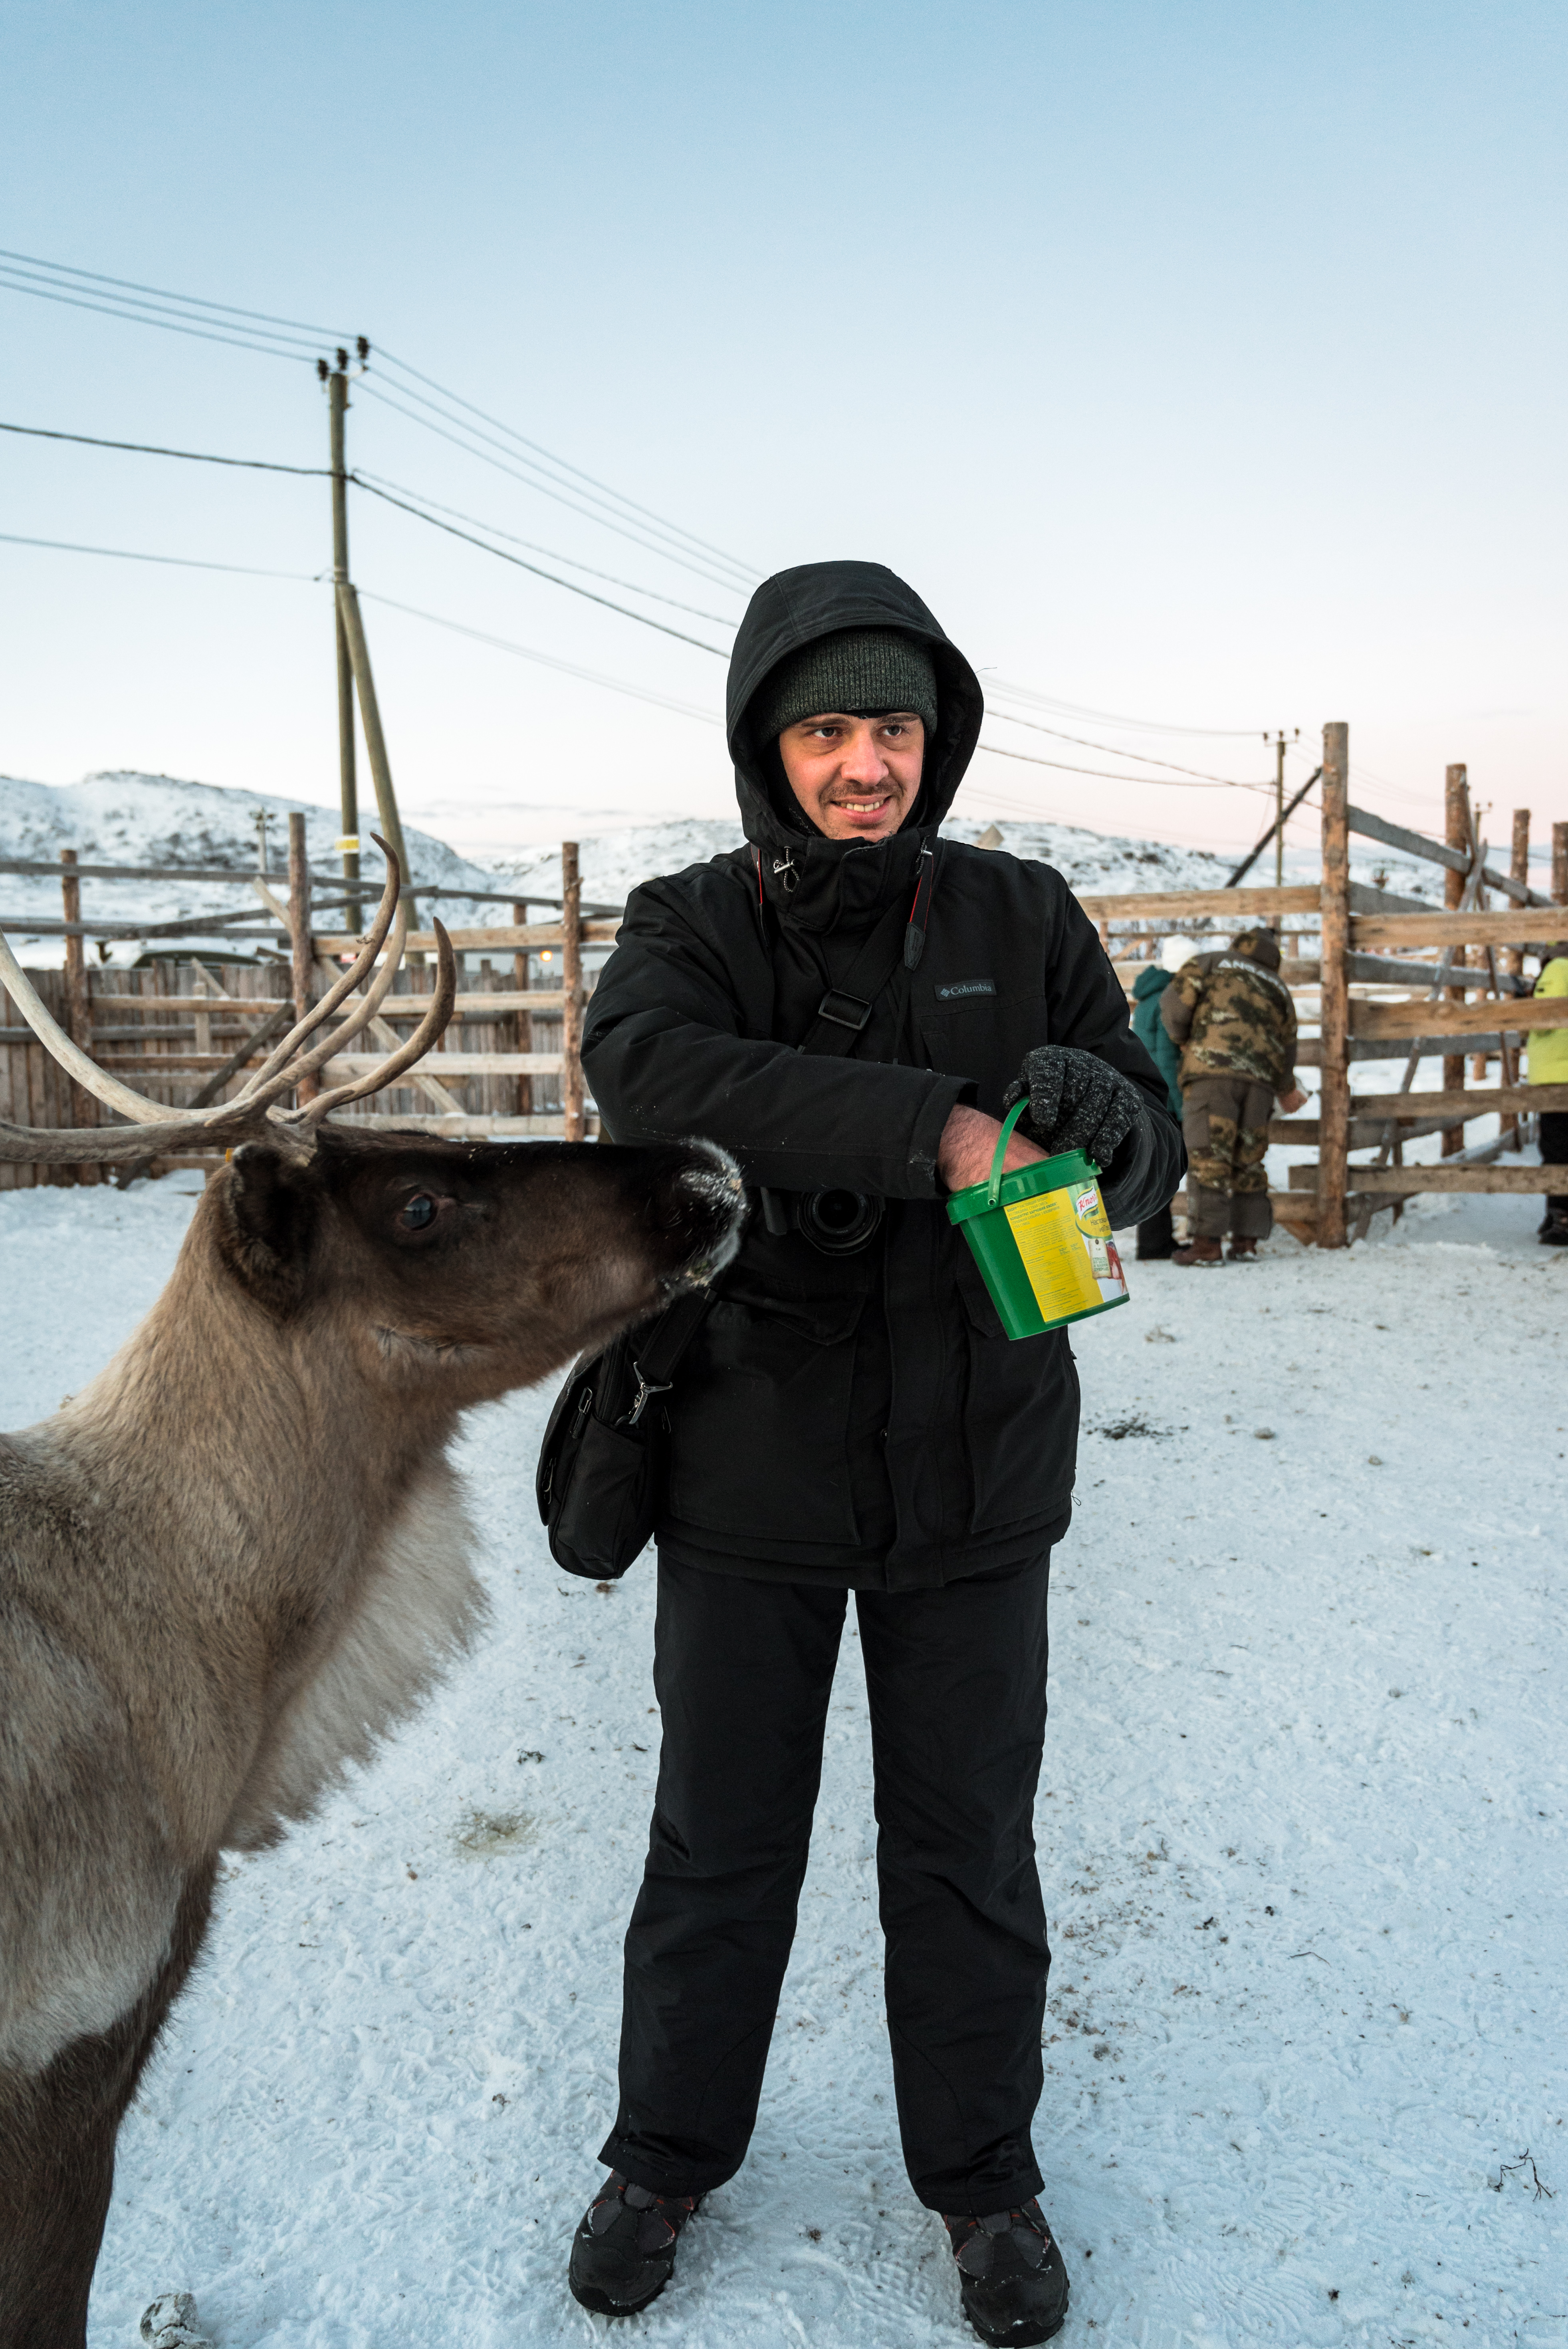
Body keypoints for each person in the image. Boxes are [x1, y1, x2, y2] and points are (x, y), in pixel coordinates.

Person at [571, 559, 1183, 2346]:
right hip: (749, 1463)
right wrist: (950, 1129)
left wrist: (1109, 1125)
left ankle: (986, 2184)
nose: (865, 764)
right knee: (719, 1842)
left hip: (980, 1468)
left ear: (938, 740)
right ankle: (664, 2158)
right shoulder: (693, 922)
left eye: (895, 727)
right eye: (827, 729)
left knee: (968, 1846)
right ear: (768, 743)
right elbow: (653, 1076)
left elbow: (1146, 1150)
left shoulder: (1023, 909)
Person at [1159, 927, 1307, 1265]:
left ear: (1239, 944)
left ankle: (1206, 1245)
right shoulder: (1279, 987)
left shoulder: (1211, 962)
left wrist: (1185, 1040)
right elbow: (1288, 1046)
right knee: (1249, 1158)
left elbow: (1173, 1004)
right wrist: (1284, 1088)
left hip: (1212, 1073)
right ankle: (1246, 1242)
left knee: (1208, 1154)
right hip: (1260, 1084)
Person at [1128, 938, 1188, 1258]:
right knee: (1165, 1171)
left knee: (1155, 1171)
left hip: (1147, 1095)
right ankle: (1155, 1243)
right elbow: (1167, 1060)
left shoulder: (1149, 998)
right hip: (1165, 1100)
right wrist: (1179, 1108)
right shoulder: (1169, 999)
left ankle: (1154, 1241)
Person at [1529, 939, 1568, 1244]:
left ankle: (1561, 1219)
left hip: (1557, 1072)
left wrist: (1523, 1006)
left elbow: (1542, 1018)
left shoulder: (1558, 967)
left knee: (1557, 1147)